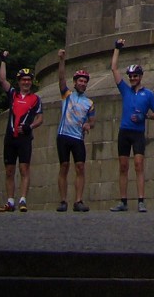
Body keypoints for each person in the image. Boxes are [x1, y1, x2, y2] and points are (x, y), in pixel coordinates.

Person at [109, 37, 154, 212]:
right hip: (124, 131)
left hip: (138, 132)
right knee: (123, 166)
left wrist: (145, 117)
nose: (132, 78)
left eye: (135, 76)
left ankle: (140, 200)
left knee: (139, 164)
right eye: (130, 76)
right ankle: (123, 201)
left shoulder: (148, 94)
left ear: (140, 77)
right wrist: (117, 49)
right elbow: (114, 69)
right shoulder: (125, 90)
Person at [0, 51, 43, 212]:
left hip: (24, 137)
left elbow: (40, 118)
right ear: (19, 81)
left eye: (29, 80)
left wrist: (30, 127)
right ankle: (10, 201)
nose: (26, 82)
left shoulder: (36, 99)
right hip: (10, 137)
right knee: (9, 170)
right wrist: (3, 60)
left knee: (24, 169)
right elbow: (2, 80)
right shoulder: (13, 94)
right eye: (23, 80)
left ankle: (22, 200)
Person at [55, 48, 95, 212]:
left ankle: (78, 200)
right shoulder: (67, 95)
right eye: (80, 81)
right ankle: (63, 200)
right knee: (64, 166)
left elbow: (92, 121)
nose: (83, 83)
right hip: (63, 135)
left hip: (78, 138)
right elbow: (61, 79)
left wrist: (88, 125)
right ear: (75, 82)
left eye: (85, 82)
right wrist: (62, 60)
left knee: (80, 167)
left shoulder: (89, 103)